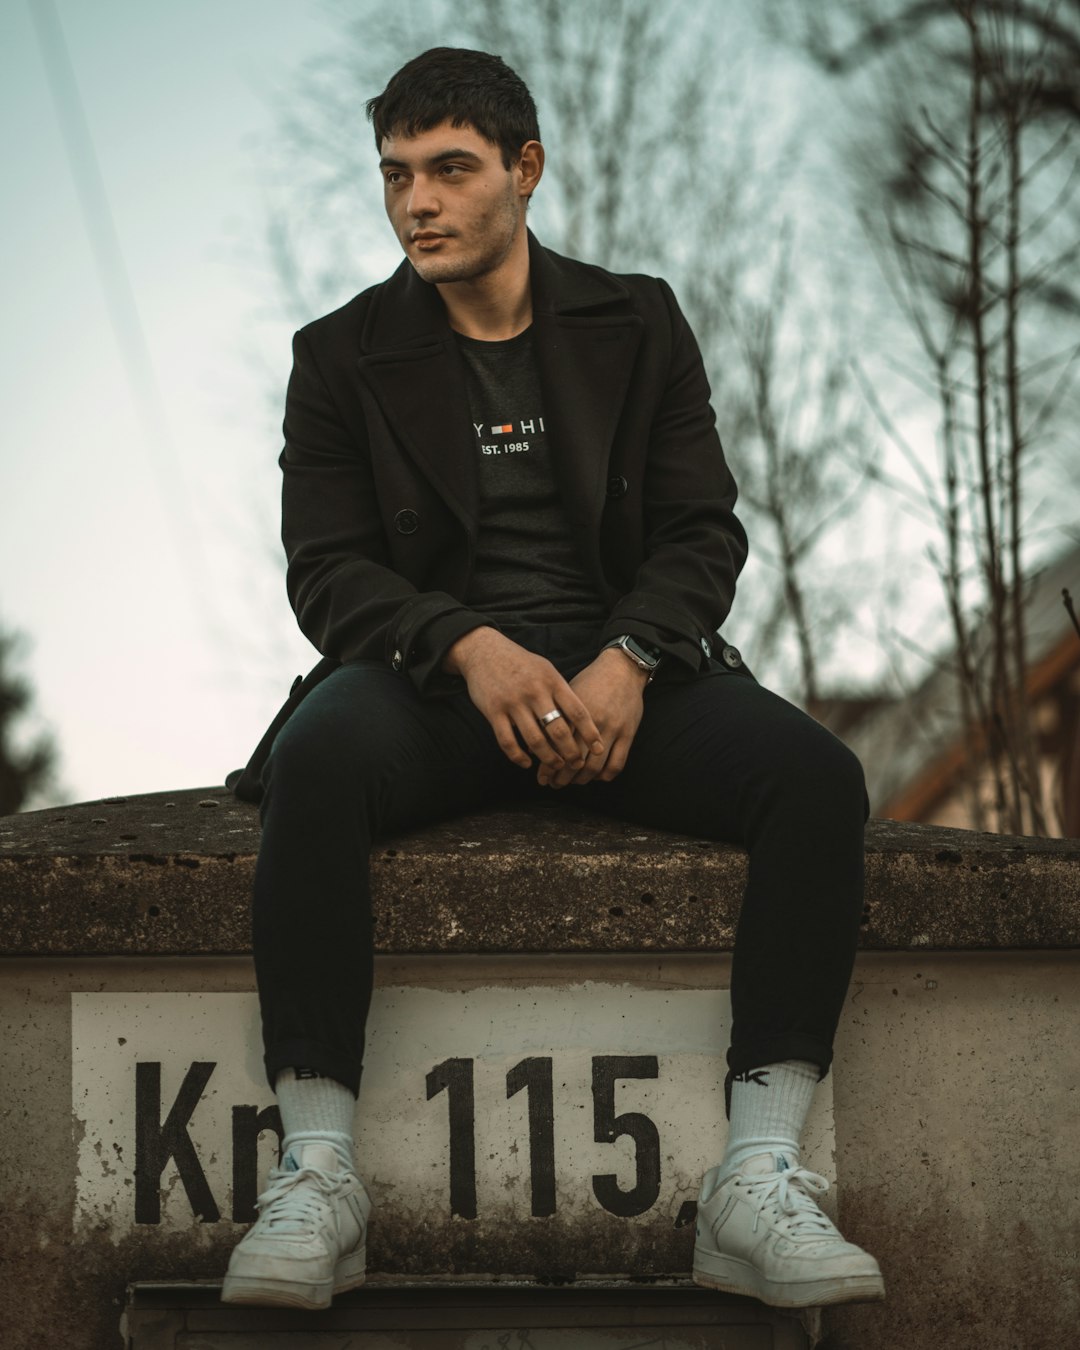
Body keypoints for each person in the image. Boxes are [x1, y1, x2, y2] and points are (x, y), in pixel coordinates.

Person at [221, 46, 885, 1314]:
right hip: (430, 677)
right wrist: (468, 645)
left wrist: (631, 660)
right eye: (397, 174)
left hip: (622, 667)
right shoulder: (340, 355)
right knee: (316, 763)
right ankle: (316, 1174)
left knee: (815, 780)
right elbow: (329, 572)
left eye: (452, 169)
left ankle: (757, 1178)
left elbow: (702, 532)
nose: (418, 201)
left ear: (526, 171)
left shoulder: (637, 322)